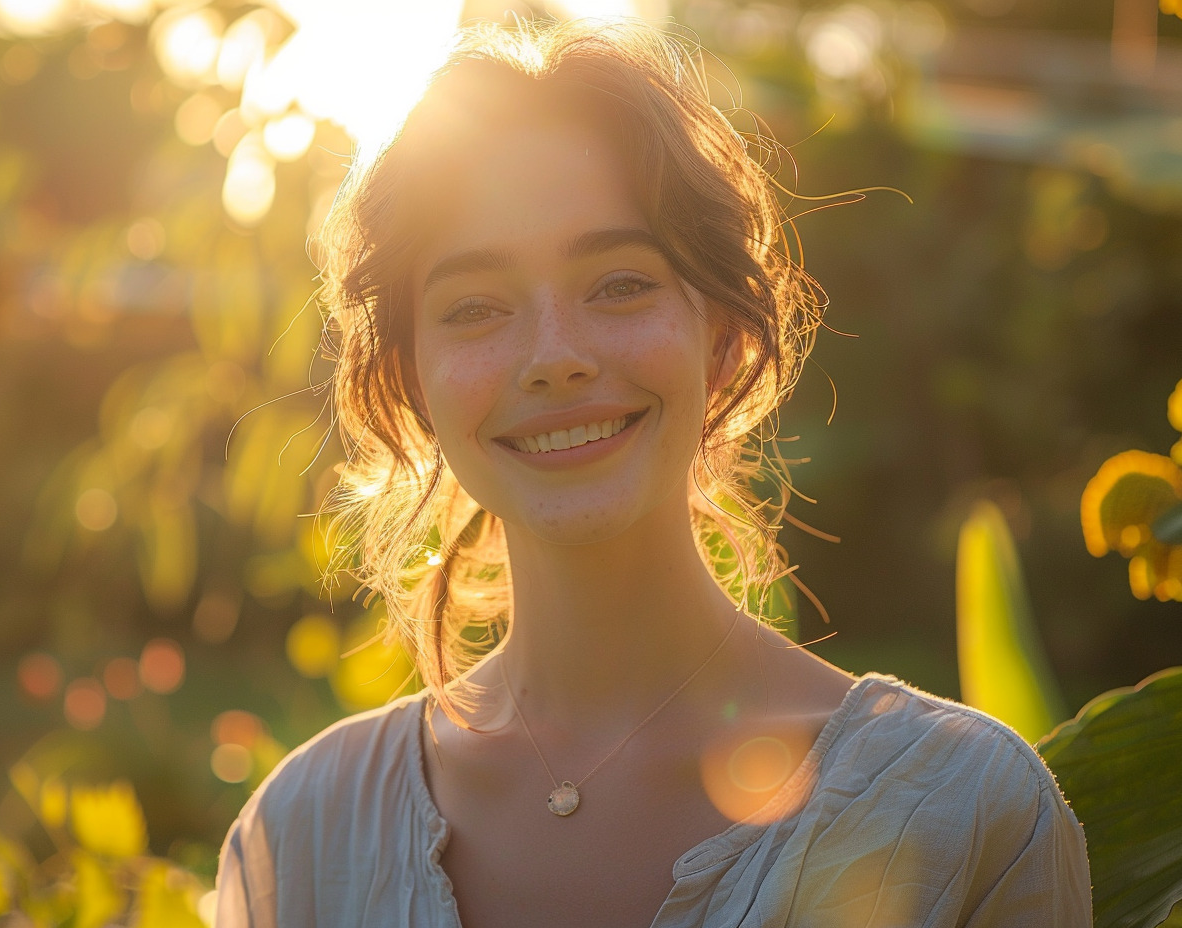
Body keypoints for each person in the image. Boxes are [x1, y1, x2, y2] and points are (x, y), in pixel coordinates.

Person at [215, 17, 1091, 927]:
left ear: (723, 338)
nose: (554, 357)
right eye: (475, 307)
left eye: (620, 284)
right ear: (409, 380)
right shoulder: (302, 840)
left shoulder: (966, 816)